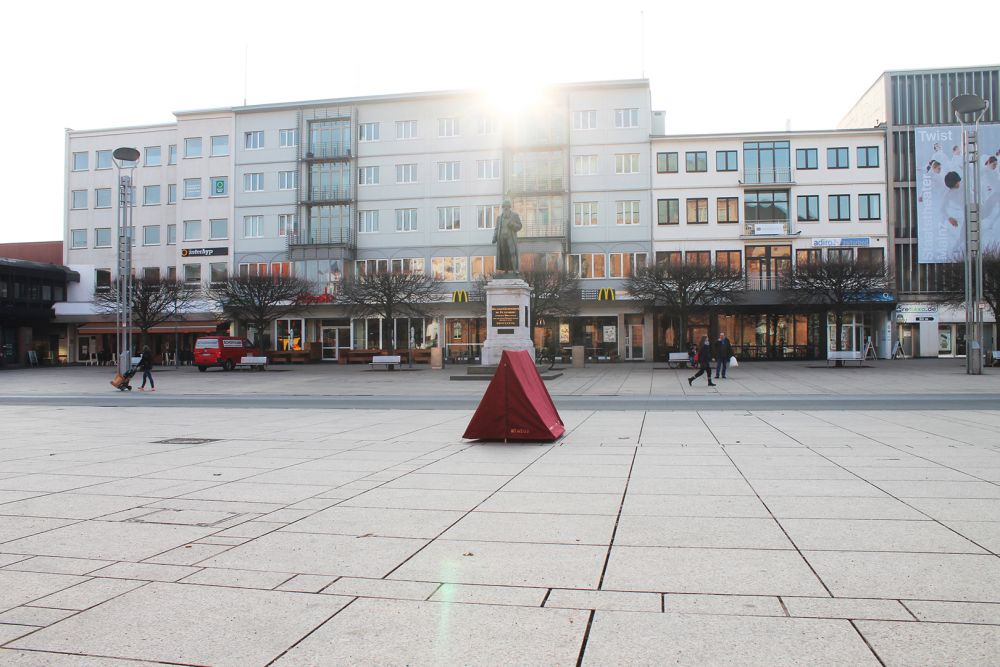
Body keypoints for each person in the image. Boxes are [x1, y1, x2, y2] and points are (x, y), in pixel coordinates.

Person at [492, 199, 522, 272]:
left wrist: (512, 225)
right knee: (504, 254)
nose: (505, 208)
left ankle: (515, 270)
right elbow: (496, 229)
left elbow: (520, 226)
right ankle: (506, 270)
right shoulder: (499, 217)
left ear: (509, 207)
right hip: (501, 238)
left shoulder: (515, 215)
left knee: (512, 252)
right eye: (504, 207)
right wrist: (494, 237)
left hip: (510, 237)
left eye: (507, 207)